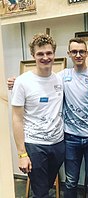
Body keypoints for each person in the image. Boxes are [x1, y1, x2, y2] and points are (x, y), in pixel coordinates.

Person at [11, 33, 65, 198]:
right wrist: (22, 154)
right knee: (41, 192)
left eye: (49, 53)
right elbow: (17, 119)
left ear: (54, 54)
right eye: (40, 54)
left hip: (57, 144)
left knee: (45, 187)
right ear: (33, 55)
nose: (45, 57)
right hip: (35, 146)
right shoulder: (22, 82)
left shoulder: (59, 79)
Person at [59, 38, 88, 198]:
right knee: (70, 180)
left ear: (86, 53)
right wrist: (18, 80)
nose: (78, 55)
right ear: (69, 53)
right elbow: (42, 80)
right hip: (70, 137)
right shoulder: (62, 75)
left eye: (81, 51)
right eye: (74, 51)